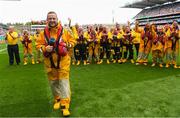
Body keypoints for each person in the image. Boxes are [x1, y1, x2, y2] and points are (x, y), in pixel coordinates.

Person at [36, 11, 76, 116]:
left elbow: (73, 41)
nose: (52, 20)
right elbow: (38, 46)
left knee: (63, 83)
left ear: (57, 19)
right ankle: (57, 99)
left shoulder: (65, 31)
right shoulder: (42, 33)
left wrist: (65, 45)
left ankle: (65, 106)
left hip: (63, 62)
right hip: (50, 63)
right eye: (50, 18)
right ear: (47, 20)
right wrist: (45, 48)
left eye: (54, 18)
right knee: (53, 83)